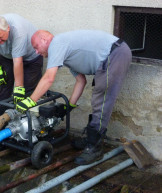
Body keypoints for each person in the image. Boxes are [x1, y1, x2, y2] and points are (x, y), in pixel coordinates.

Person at [16, 30, 132, 165]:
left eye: (36, 47)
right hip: (114, 53)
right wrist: (69, 106)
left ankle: (94, 147)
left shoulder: (56, 44)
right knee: (99, 97)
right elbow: (81, 81)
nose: (36, 52)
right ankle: (91, 139)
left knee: (101, 98)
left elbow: (48, 78)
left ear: (44, 40)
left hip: (115, 54)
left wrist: (31, 101)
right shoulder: (65, 53)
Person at [0, 13, 43, 105]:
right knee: (3, 83)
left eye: (1, 38)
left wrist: (19, 88)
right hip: (7, 56)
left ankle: (24, 118)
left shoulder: (18, 30)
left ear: (8, 28)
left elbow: (18, 61)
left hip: (31, 58)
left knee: (26, 91)